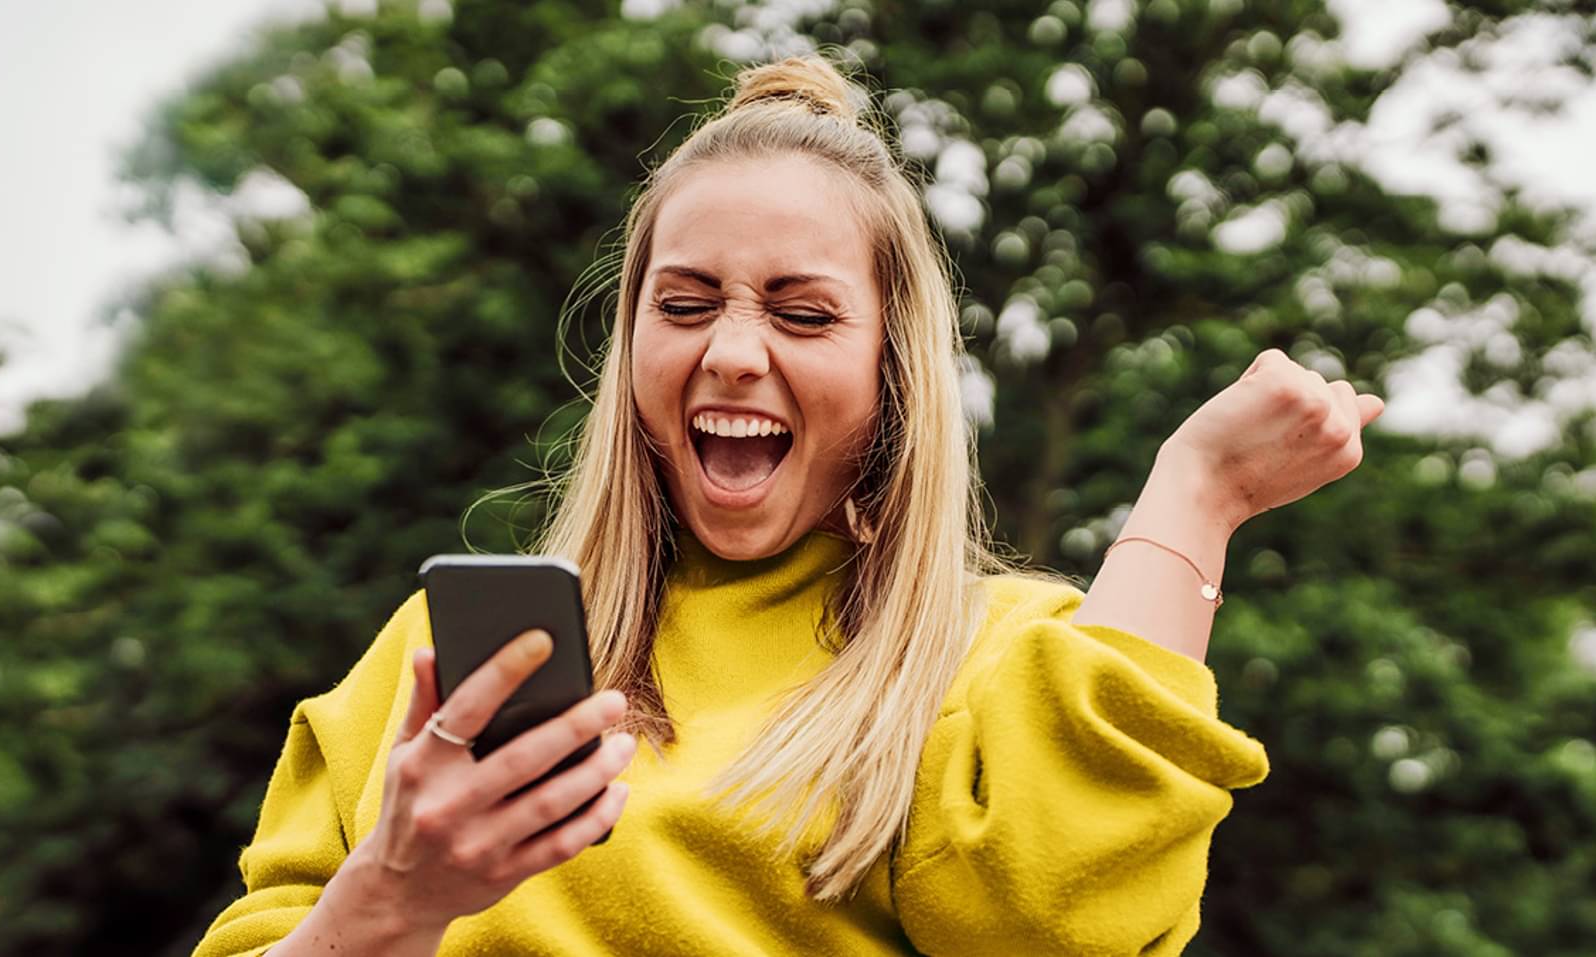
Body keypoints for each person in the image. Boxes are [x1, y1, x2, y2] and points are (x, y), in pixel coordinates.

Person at [194, 51, 1384, 957]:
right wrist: (388, 902)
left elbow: (1053, 923)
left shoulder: (993, 659)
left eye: (802, 314)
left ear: (890, 372)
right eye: (685, 303)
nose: (730, 352)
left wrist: (1198, 491)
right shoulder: (449, 669)